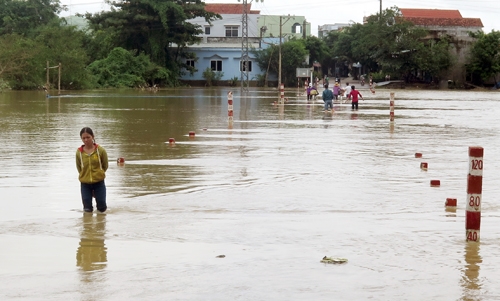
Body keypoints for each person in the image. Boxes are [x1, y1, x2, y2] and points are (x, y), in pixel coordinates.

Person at [76, 127, 109, 213]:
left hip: (99, 183)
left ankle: (101, 225)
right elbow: (79, 168)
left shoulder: (101, 150)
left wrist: (98, 174)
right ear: (81, 139)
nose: (86, 140)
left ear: (93, 137)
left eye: (88, 137)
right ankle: (88, 226)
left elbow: (105, 166)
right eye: (83, 138)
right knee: (87, 210)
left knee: (102, 209)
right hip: (85, 184)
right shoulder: (79, 153)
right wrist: (86, 176)